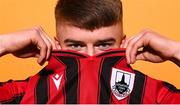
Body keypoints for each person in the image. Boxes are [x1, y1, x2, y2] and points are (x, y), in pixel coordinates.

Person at [0, 0, 180, 104]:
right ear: (57, 44)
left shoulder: (153, 93)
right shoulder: (28, 92)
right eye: (76, 46)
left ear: (123, 42)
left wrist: (175, 51)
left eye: (104, 45)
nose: (91, 57)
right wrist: (4, 43)